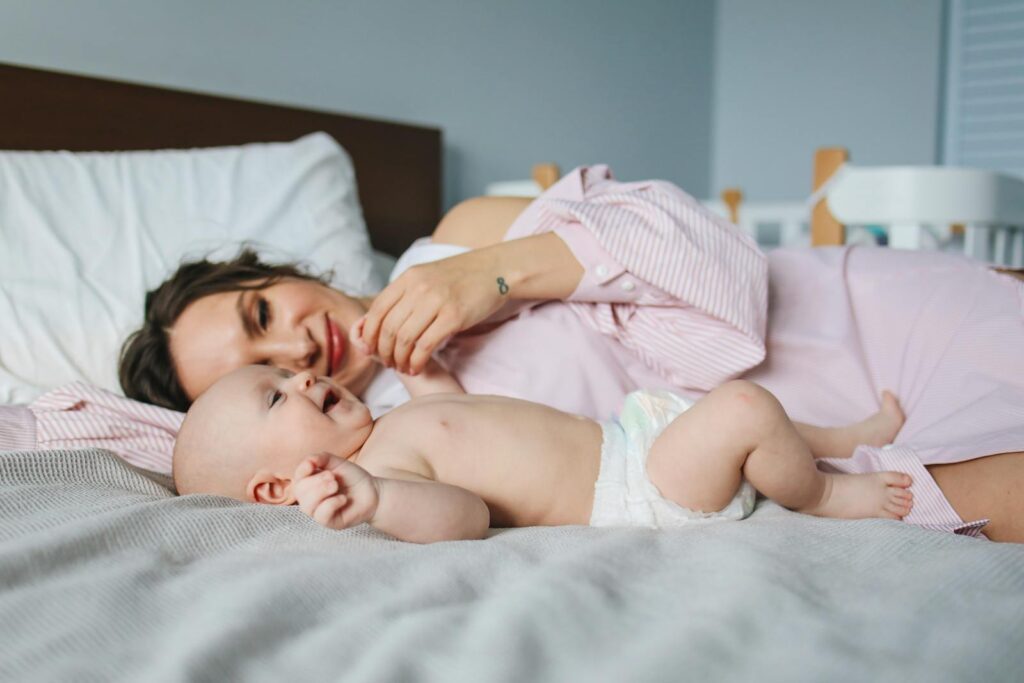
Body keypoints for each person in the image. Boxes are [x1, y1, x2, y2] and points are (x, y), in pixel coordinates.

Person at [120, 165, 1024, 542]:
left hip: (832, 325)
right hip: (763, 454)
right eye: (256, 380)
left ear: (282, 272)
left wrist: (491, 274)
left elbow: (718, 263)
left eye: (263, 312)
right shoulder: (389, 444)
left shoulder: (453, 242)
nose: (297, 350)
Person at [173, 359, 913, 543]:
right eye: (276, 397)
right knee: (743, 408)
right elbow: (465, 515)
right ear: (275, 489)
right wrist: (376, 500)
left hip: (630, 436)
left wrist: (419, 362)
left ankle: (844, 438)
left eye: (283, 372)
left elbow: (454, 408)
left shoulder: (393, 420)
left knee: (733, 410)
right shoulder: (379, 472)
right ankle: (824, 492)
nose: (300, 377)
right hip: (639, 491)